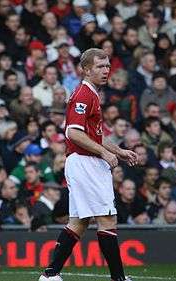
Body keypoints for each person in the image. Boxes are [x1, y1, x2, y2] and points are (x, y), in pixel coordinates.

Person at [38, 48, 138, 281]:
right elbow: (73, 132)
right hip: (85, 163)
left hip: (83, 162)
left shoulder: (90, 93)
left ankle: (50, 275)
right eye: (100, 67)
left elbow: (95, 134)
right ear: (86, 69)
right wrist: (104, 153)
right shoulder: (84, 94)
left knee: (80, 221)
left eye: (107, 66)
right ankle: (118, 279)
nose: (106, 71)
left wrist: (119, 151)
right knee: (107, 219)